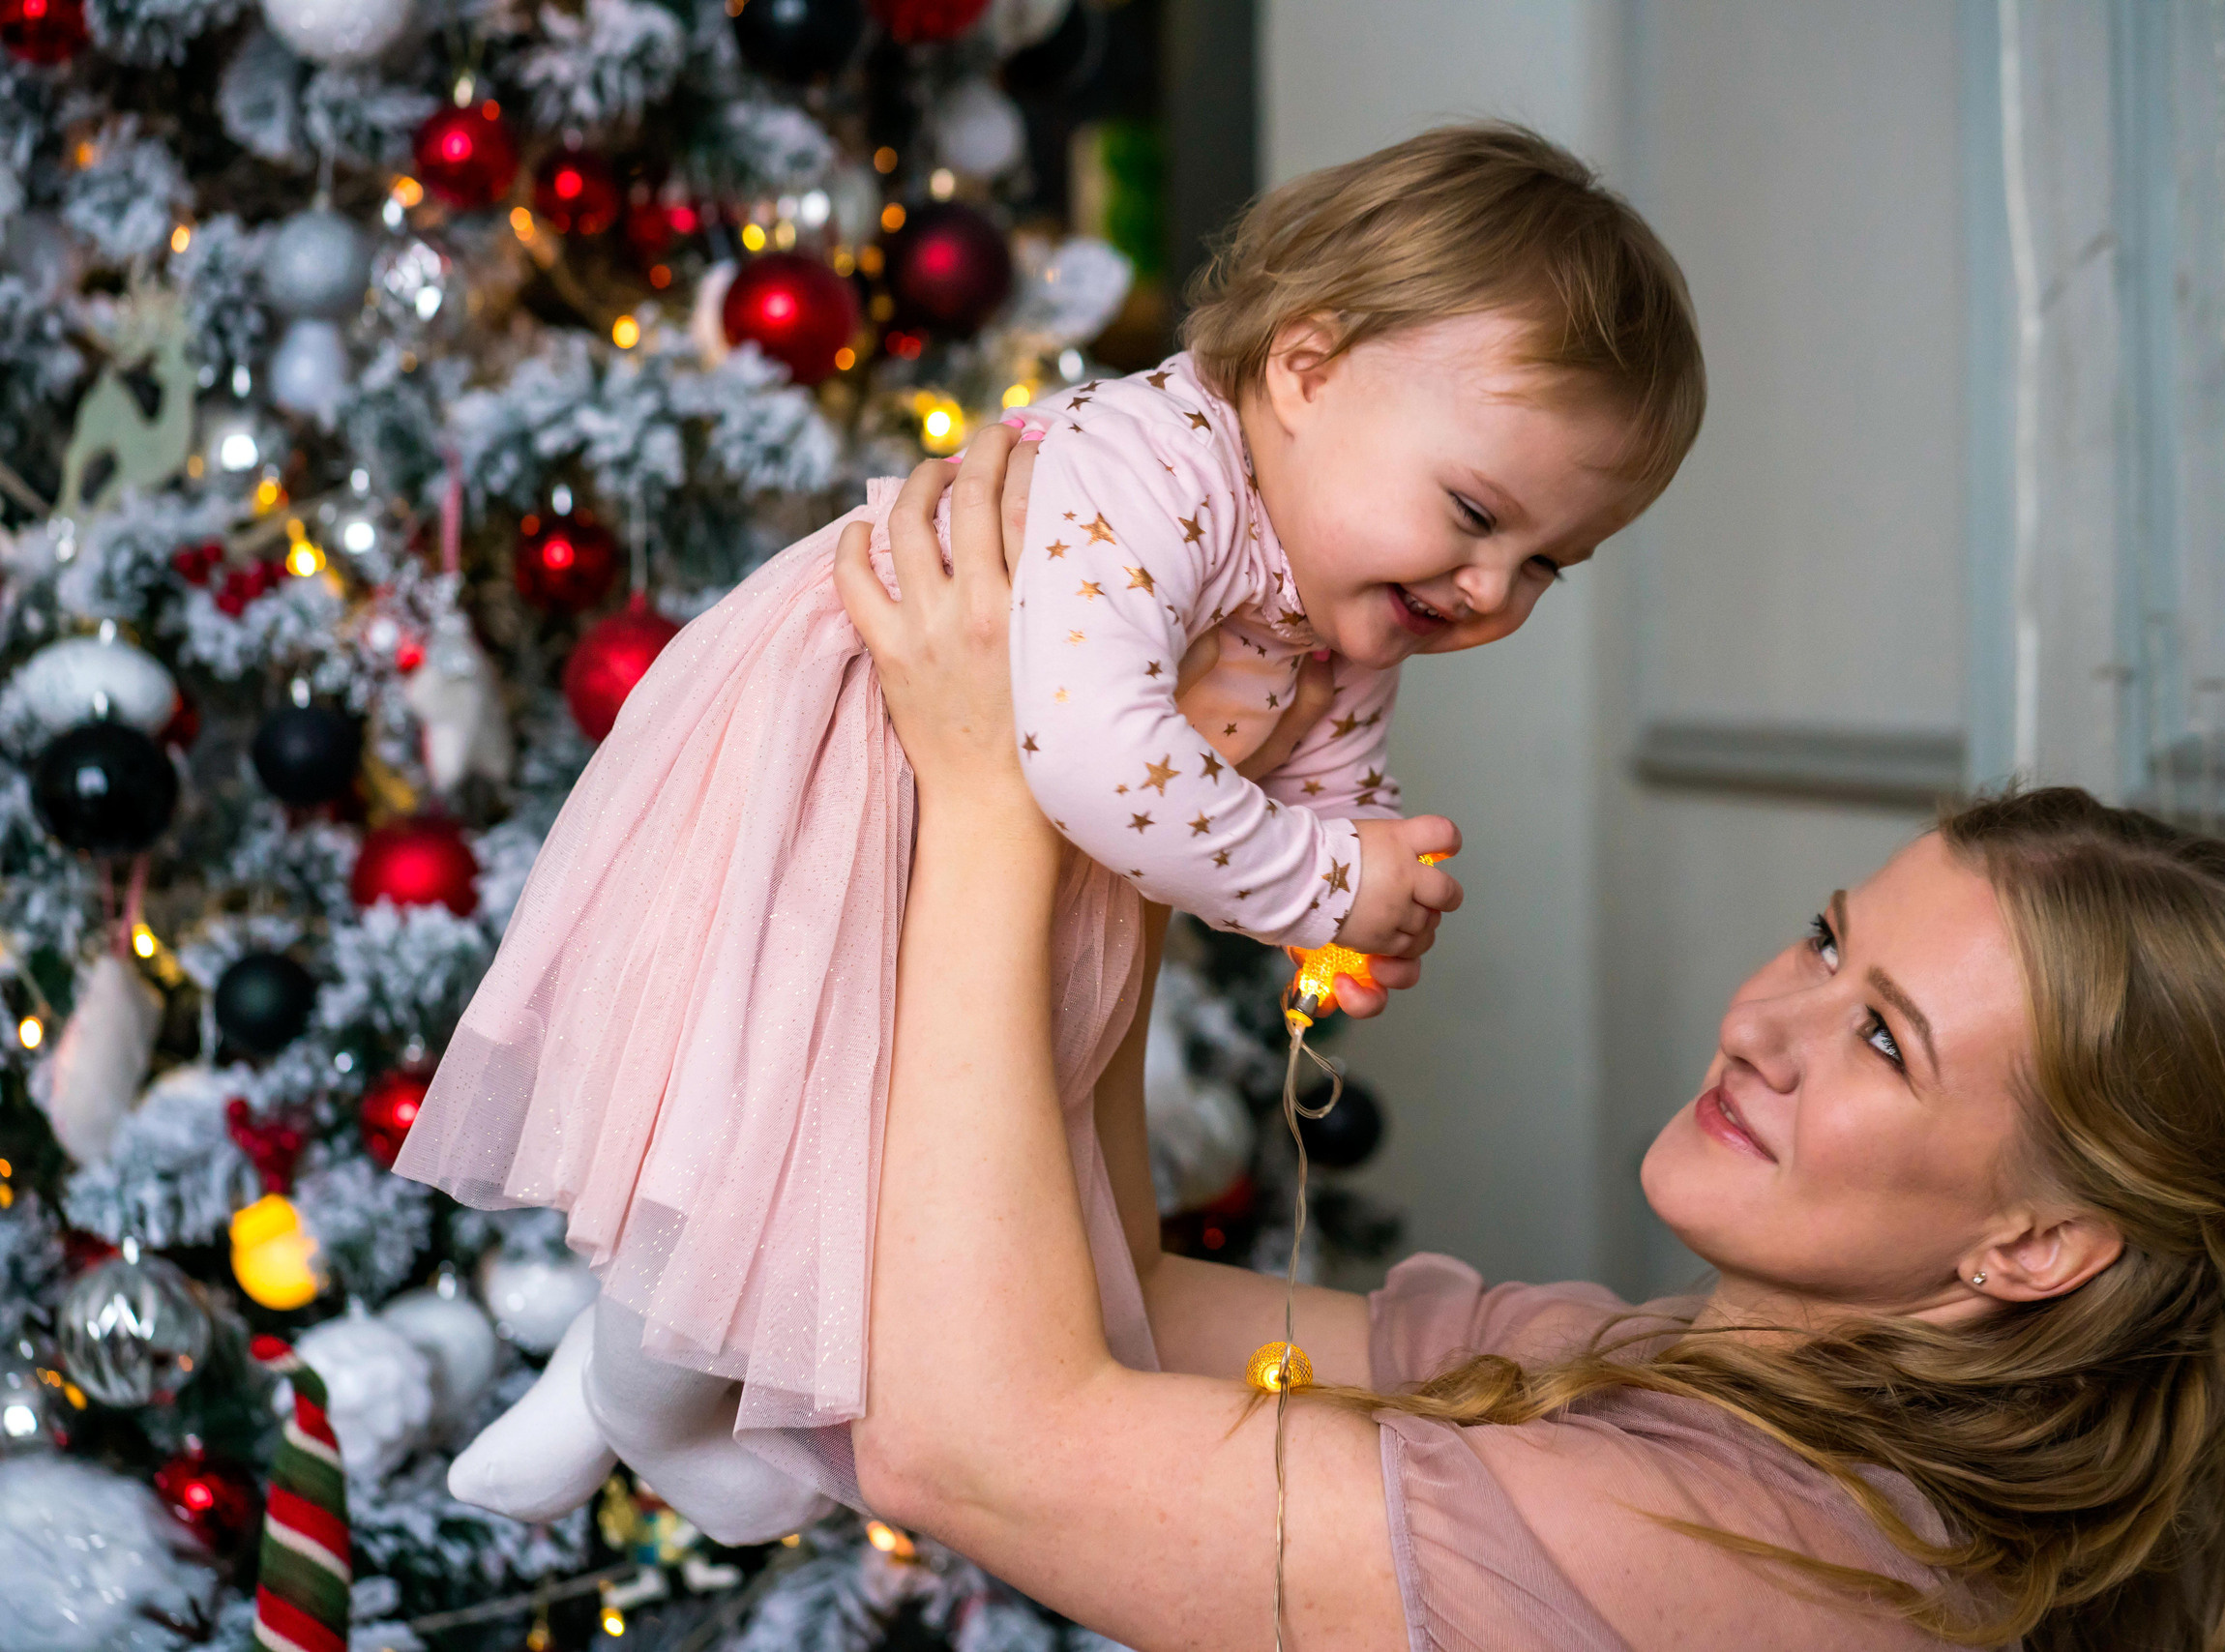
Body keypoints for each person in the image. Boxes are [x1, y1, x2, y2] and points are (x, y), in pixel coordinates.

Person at [395, 121, 1706, 1540]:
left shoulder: (1353, 588)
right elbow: (1090, 756)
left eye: (1545, 568)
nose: (1491, 588)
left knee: (898, 1182)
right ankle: (630, 1401)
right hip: (852, 799)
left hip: (991, 858)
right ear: (1308, 370)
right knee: (771, 1123)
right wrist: (1326, 881)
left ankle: (619, 1392)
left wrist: (1360, 899)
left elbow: (1326, 786)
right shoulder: (1153, 466)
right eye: (1475, 514)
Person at [839, 429, 2225, 1651]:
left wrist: (992, 803)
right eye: (1829, 944)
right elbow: (1121, 1308)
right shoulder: (1647, 1370)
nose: (1766, 1024)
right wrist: (1135, 824)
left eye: (1886, 1043)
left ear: (2032, 1248)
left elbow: (967, 1447)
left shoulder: (1755, 1556)